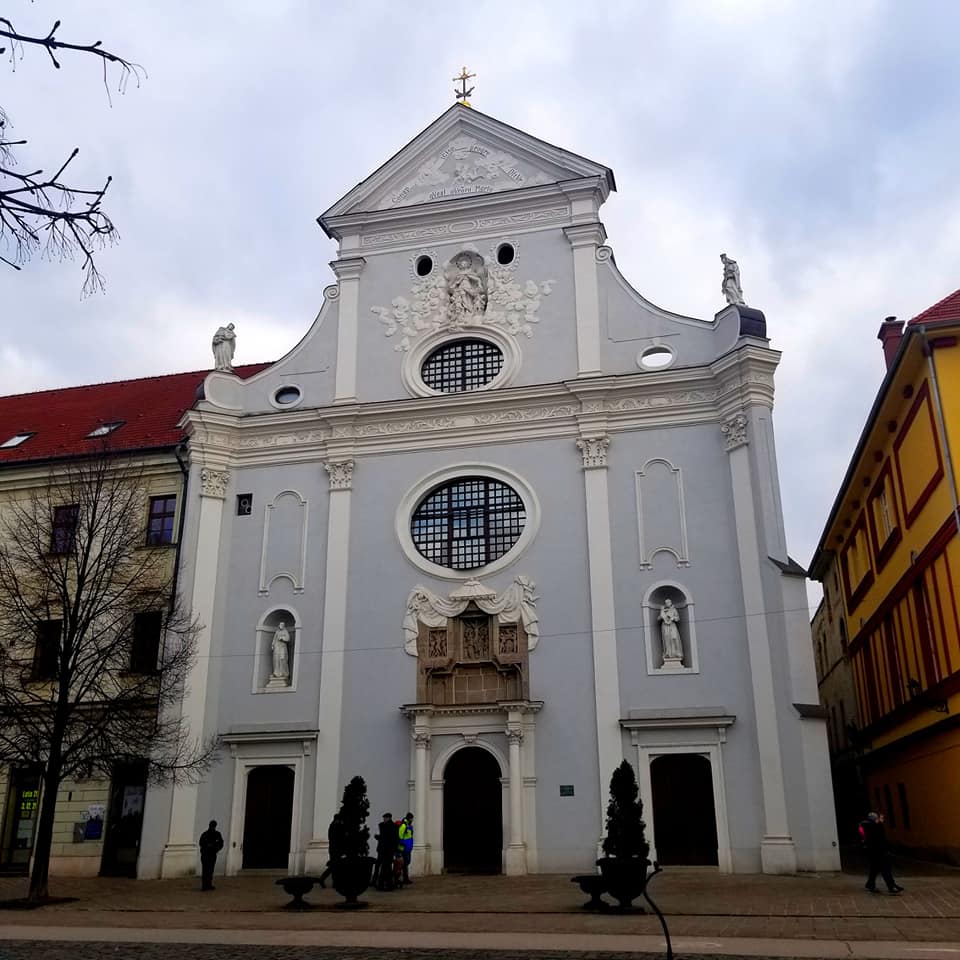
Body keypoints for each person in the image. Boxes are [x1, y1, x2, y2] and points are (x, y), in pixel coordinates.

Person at [859, 812, 904, 894]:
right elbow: (879, 839)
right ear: (875, 819)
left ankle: (870, 884)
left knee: (875, 869)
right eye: (879, 818)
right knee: (885, 869)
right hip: (879, 852)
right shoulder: (874, 827)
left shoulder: (870, 826)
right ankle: (891, 887)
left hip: (874, 852)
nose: (881, 820)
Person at [317, 813, 343, 888]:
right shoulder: (335, 826)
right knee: (334, 866)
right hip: (335, 849)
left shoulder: (333, 825)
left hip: (333, 848)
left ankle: (334, 882)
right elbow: (337, 838)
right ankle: (322, 879)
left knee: (335, 866)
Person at [375, 812, 399, 890]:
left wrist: (378, 837)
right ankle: (388, 884)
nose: (384, 819)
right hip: (390, 850)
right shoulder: (394, 826)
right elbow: (395, 839)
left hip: (384, 849)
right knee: (387, 867)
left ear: (388, 818)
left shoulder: (383, 826)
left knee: (384, 867)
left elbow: (384, 838)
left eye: (385, 818)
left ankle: (383, 884)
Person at [198, 819, 224, 891]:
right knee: (206, 870)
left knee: (210, 870)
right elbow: (201, 843)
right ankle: (204, 886)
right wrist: (208, 846)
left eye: (213, 826)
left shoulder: (217, 834)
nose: (212, 827)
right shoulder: (205, 834)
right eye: (212, 826)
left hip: (212, 854)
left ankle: (208, 884)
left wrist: (217, 848)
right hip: (206, 854)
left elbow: (221, 843)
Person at [398, 812, 414, 885]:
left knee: (406, 863)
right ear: (409, 818)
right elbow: (400, 837)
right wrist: (404, 844)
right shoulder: (404, 826)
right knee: (404, 864)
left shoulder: (408, 825)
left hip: (408, 848)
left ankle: (404, 878)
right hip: (404, 848)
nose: (412, 820)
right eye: (412, 818)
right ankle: (403, 878)